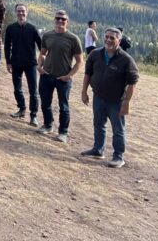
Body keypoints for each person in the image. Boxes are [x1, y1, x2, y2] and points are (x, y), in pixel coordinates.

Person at [81, 27, 139, 168]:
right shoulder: (95, 54)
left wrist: (126, 102)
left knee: (118, 129)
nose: (108, 40)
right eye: (106, 36)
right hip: (98, 97)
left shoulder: (126, 60)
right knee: (98, 124)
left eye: (112, 38)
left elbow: (132, 82)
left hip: (116, 101)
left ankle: (118, 156)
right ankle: (98, 150)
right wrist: (84, 92)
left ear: (119, 40)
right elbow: (88, 74)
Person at [36, 10, 83, 143]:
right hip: (47, 75)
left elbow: (80, 61)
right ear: (54, 20)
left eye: (63, 19)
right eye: (58, 18)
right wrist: (39, 66)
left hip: (63, 79)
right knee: (45, 103)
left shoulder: (73, 39)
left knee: (64, 106)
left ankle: (63, 132)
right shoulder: (47, 36)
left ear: (67, 22)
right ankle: (47, 125)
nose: (60, 21)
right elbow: (43, 53)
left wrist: (69, 76)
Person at [4, 3, 42, 126]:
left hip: (30, 63)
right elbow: (7, 46)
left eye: (23, 11)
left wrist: (42, 61)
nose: (21, 13)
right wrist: (8, 62)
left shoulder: (33, 28)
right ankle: (21, 109)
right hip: (15, 63)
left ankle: (33, 116)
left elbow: (41, 47)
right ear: (16, 12)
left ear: (27, 12)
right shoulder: (10, 28)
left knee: (33, 91)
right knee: (17, 89)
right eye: (19, 11)